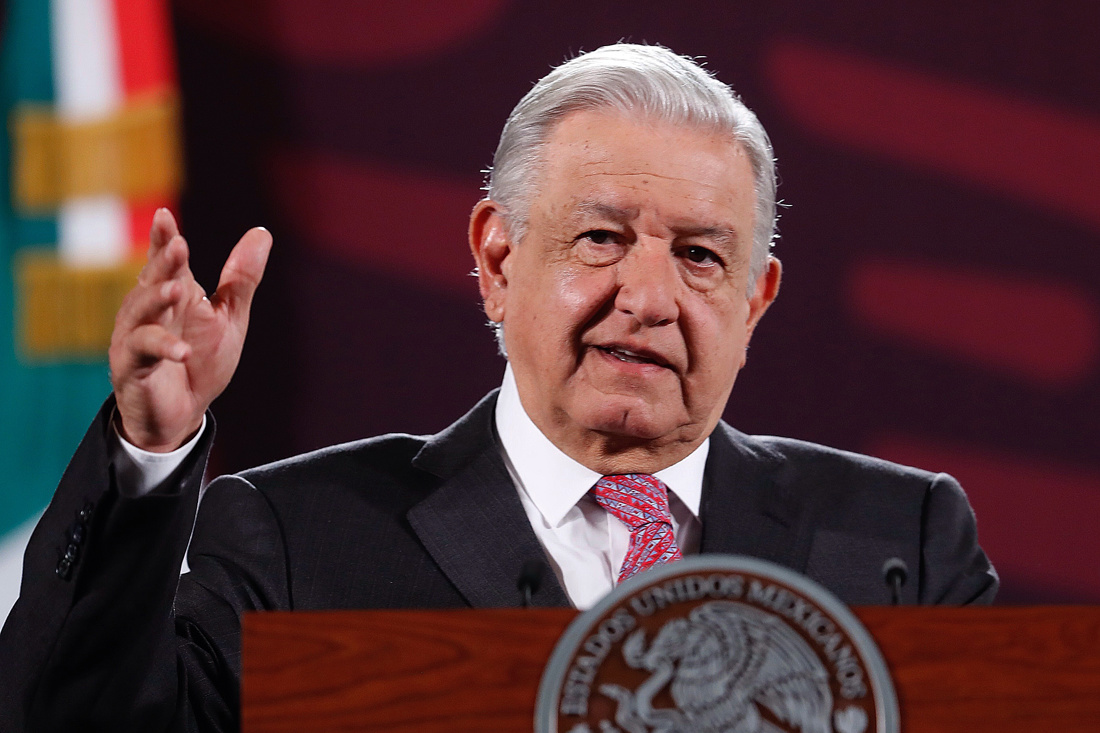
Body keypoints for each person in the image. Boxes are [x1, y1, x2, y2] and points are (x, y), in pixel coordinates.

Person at [0, 44, 996, 731]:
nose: (645, 297)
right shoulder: (299, 539)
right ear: (497, 258)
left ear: (754, 300)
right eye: (599, 238)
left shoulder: (897, 543)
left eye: (698, 255)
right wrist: (143, 456)